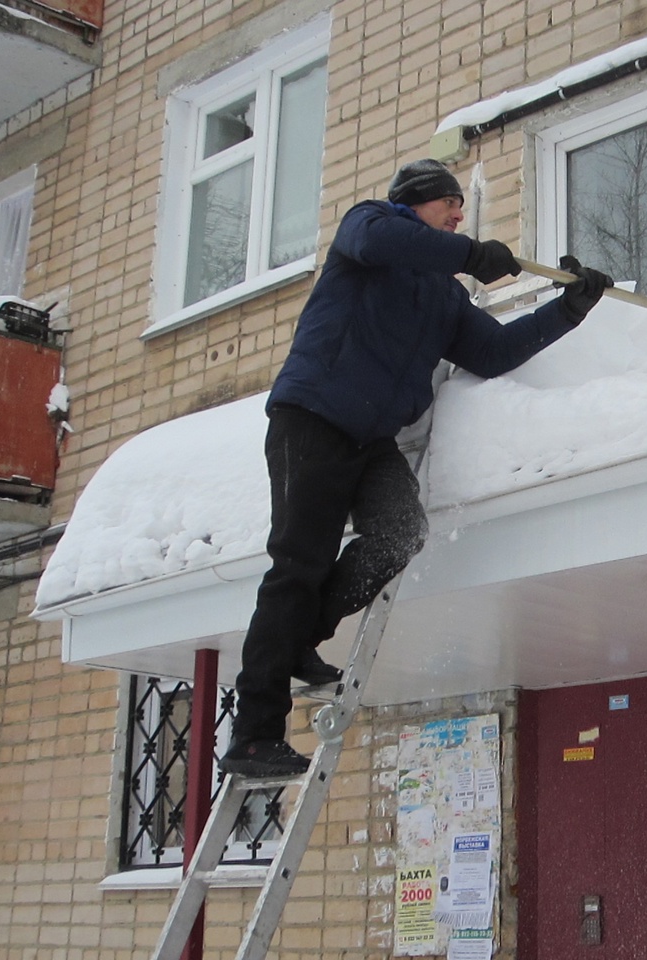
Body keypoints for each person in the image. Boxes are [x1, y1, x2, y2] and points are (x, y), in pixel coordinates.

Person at [221, 159, 612, 777]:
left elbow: (492, 351)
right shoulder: (367, 228)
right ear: (412, 203)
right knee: (298, 565)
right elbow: (384, 241)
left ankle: (299, 637)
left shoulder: (442, 295)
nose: (459, 213)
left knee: (401, 532)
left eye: (461, 206)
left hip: (372, 438)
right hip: (314, 416)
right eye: (447, 203)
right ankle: (253, 735)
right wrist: (470, 253)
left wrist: (569, 310)